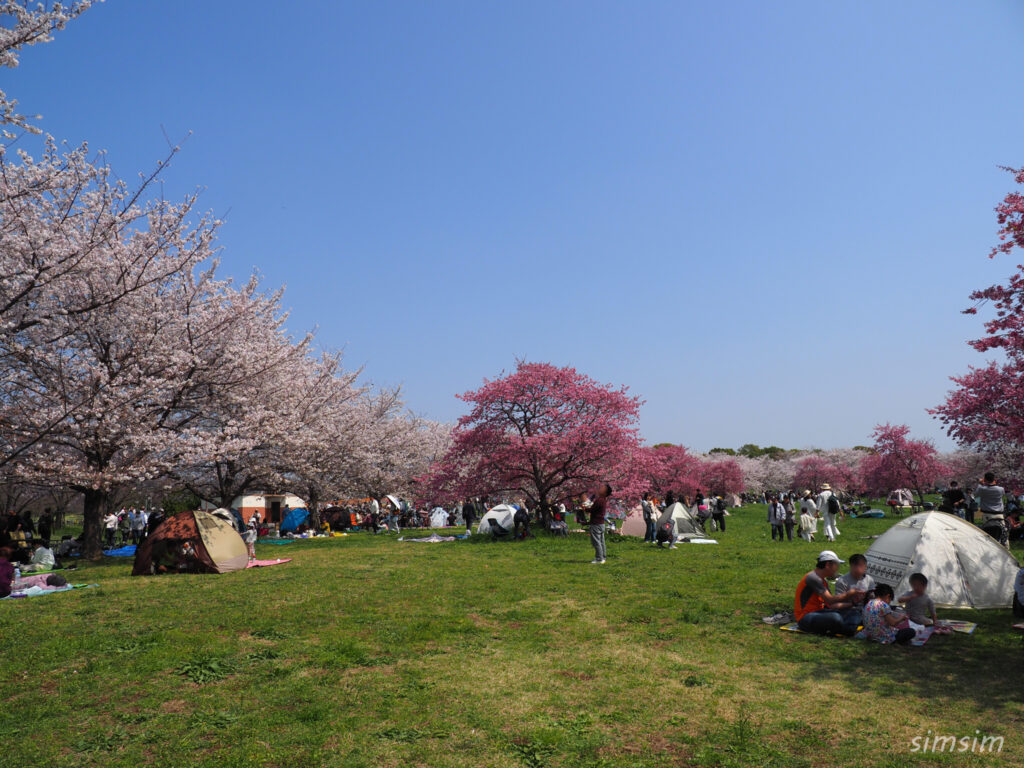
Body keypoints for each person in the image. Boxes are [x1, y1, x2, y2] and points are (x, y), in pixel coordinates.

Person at [794, 550, 864, 636]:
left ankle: (845, 628)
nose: (837, 569)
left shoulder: (823, 580)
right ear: (828, 565)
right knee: (835, 618)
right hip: (805, 617)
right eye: (836, 566)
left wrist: (853, 603)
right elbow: (830, 600)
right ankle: (847, 628)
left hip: (820, 612)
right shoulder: (813, 578)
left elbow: (831, 605)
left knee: (854, 613)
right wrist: (849, 594)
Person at [835, 554, 876, 618]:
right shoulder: (843, 581)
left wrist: (870, 596)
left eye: (861, 566)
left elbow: (873, 598)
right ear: (851, 566)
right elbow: (837, 604)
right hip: (849, 611)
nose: (859, 569)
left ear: (865, 566)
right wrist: (853, 602)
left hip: (866, 610)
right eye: (856, 566)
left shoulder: (869, 579)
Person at [975, 472, 1008, 547]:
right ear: (994, 479)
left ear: (985, 479)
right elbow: (997, 490)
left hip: (987, 515)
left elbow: (976, 495)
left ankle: (989, 547)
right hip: (999, 515)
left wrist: (980, 483)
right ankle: (1005, 549)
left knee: (988, 534)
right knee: (1003, 533)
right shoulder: (1000, 489)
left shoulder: (982, 489)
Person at [587, 482, 612, 564]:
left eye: (602, 488)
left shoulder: (599, 500)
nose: (600, 488)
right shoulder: (603, 500)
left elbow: (592, 510)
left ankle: (599, 558)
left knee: (596, 542)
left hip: (596, 523)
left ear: (605, 493)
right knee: (601, 541)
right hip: (601, 523)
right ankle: (603, 557)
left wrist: (585, 508)